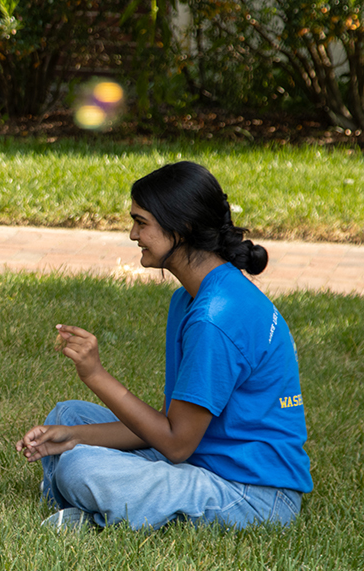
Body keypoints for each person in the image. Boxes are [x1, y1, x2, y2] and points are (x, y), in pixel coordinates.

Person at [16, 161, 312, 530]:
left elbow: (175, 444)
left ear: (182, 228)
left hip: (252, 494)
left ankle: (99, 513)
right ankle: (101, 506)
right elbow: (171, 425)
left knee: (81, 466)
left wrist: (95, 374)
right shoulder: (189, 300)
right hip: (203, 456)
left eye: (141, 222)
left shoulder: (215, 318)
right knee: (67, 418)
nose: (132, 234)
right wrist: (75, 435)